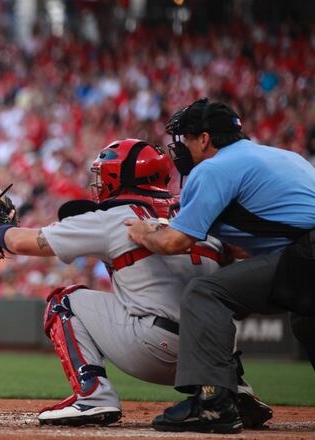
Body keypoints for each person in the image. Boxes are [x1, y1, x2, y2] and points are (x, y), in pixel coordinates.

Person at [0, 139, 271, 428]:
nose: (99, 181)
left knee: (63, 302)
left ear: (117, 176)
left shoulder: (114, 216)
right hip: (216, 356)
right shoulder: (198, 207)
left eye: (103, 174)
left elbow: (23, 242)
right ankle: (236, 388)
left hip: (157, 348)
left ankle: (93, 395)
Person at [126, 98, 315, 434]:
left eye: (186, 137)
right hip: (302, 256)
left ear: (204, 138)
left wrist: (144, 233)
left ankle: (213, 403)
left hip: (306, 255)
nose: (182, 146)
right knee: (306, 317)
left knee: (204, 293)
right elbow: (266, 236)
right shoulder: (283, 156)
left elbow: (173, 242)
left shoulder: (213, 167)